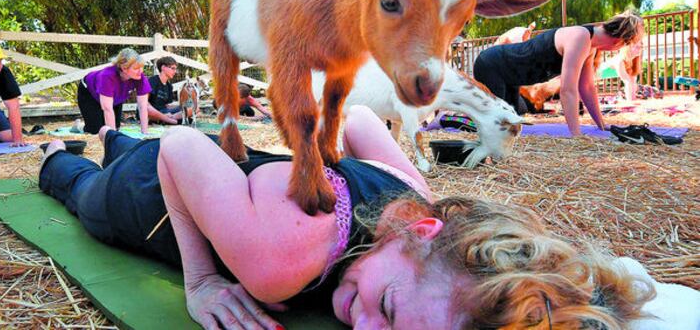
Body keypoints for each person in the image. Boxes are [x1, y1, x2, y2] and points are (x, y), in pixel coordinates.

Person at [37, 105, 695, 329]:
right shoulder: (281, 259)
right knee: (83, 183)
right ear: (421, 232)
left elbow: (353, 121)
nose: (364, 325)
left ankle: (112, 140)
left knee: (125, 144)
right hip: (146, 198)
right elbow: (181, 149)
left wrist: (308, 165)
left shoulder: (413, 195)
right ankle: (50, 152)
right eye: (385, 303)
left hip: (223, 180)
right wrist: (203, 278)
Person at [474, 11, 645, 136]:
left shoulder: (590, 45)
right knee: (496, 124)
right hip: (492, 64)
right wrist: (576, 134)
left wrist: (601, 124)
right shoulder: (580, 37)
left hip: (510, 76)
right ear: (619, 41)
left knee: (511, 125)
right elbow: (568, 90)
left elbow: (586, 87)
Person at [77, 48, 151, 135]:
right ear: (124, 68)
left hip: (115, 96)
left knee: (116, 128)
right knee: (96, 130)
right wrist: (113, 138)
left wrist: (145, 133)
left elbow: (143, 106)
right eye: (136, 68)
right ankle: (79, 125)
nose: (140, 71)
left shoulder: (140, 77)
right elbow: (107, 109)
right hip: (89, 93)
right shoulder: (107, 76)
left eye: (142, 67)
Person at [145, 56, 181, 125]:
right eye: (173, 68)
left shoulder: (169, 86)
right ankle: (171, 120)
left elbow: (167, 106)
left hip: (164, 112)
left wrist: (181, 106)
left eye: (175, 69)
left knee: (192, 108)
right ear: (163, 67)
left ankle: (168, 118)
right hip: (152, 112)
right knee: (147, 108)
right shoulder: (153, 81)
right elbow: (145, 102)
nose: (175, 71)